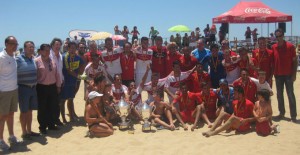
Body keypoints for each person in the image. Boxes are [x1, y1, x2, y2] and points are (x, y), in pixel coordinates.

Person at [16, 41, 40, 140]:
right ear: (24, 48)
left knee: (30, 111)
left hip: (33, 88)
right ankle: (24, 132)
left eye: (32, 47)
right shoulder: (18, 59)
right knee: (24, 111)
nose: (31, 49)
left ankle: (29, 131)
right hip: (23, 88)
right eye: (29, 47)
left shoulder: (33, 59)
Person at [272, 28, 298, 122]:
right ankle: (282, 113)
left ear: (283, 35)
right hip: (278, 75)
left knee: (290, 94)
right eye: (277, 36)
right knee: (279, 95)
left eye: (280, 36)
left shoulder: (290, 46)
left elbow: (295, 62)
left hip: (288, 74)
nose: (278, 38)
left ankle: (293, 116)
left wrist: (294, 74)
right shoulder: (274, 47)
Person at [35, 44, 62, 134]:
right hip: (41, 87)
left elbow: (57, 74)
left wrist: (58, 86)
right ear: (41, 51)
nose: (47, 52)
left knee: (52, 106)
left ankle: (51, 125)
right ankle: (42, 127)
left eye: (48, 50)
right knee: (42, 108)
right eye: (45, 50)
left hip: (52, 86)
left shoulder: (52, 61)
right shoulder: (36, 61)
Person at [0, 36, 21, 150]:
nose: (15, 46)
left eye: (16, 44)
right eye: (13, 43)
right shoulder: (1, 57)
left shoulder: (13, 56)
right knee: (2, 116)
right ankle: (0, 140)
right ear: (7, 44)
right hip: (4, 91)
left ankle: (11, 136)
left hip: (14, 90)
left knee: (11, 114)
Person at [60, 42, 85, 123]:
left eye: (74, 48)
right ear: (68, 48)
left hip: (73, 82)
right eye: (71, 48)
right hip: (64, 82)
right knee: (63, 100)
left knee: (71, 99)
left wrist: (81, 72)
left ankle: (71, 117)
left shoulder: (78, 57)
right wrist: (79, 76)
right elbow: (69, 71)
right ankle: (63, 118)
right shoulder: (64, 57)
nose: (72, 50)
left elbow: (83, 64)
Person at [49, 38, 64, 126]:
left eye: (59, 45)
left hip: (60, 82)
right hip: (51, 82)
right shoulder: (49, 55)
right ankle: (50, 121)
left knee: (58, 102)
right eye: (56, 45)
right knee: (51, 103)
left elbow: (60, 70)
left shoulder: (60, 56)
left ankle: (56, 119)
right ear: (52, 45)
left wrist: (62, 80)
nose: (58, 47)